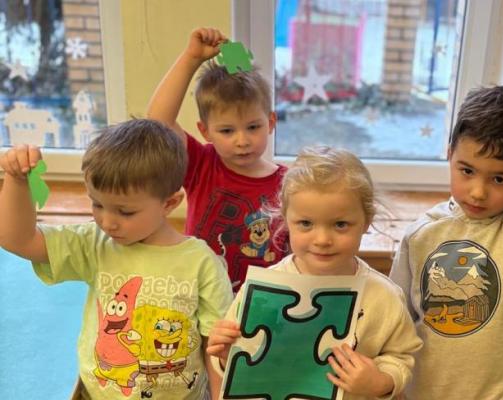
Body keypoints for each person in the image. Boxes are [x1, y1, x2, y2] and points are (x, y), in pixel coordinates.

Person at [388, 42, 503, 399]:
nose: (477, 192)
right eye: (467, 170)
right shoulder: (421, 232)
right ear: (449, 155)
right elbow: (393, 320)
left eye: (499, 179)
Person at [0, 119, 233, 399]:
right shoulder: (94, 242)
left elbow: (215, 345)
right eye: (97, 204)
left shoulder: (201, 263)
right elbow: (19, 240)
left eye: (125, 212)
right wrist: (16, 181)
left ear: (170, 203)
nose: (107, 222)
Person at [207, 146, 423, 399]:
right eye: (306, 223)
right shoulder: (263, 291)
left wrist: (380, 382)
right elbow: (244, 360)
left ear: (366, 221)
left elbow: (401, 356)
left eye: (340, 224)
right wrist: (226, 356)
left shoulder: (384, 296)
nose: (322, 240)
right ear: (286, 219)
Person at [147, 27, 287, 293]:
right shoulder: (201, 165)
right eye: (227, 131)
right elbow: (158, 121)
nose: (242, 140)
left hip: (263, 303)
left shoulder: (289, 184)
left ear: (270, 123)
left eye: (253, 127)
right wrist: (191, 58)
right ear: (205, 131)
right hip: (201, 294)